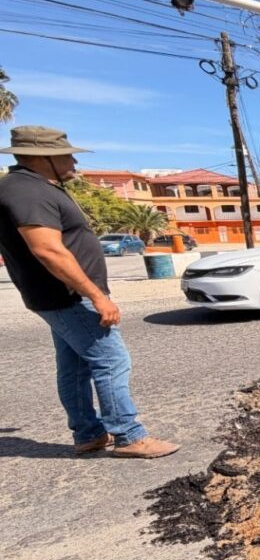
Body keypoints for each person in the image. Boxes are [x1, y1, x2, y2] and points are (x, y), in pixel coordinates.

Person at [0, 126, 179, 457]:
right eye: (68, 155)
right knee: (112, 360)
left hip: (56, 297)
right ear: (45, 157)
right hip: (67, 296)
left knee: (76, 366)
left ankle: (88, 433)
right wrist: (96, 295)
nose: (73, 162)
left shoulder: (31, 186)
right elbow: (48, 250)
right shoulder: (27, 191)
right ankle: (128, 435)